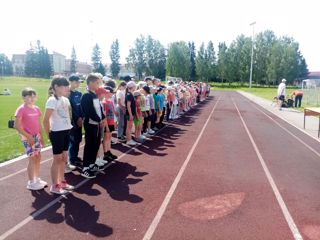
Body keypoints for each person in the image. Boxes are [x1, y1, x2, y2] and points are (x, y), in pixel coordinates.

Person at [43, 76, 74, 195]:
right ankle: (54, 185)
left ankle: (62, 182)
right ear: (56, 87)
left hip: (66, 131)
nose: (67, 88)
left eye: (67, 86)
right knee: (57, 159)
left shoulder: (65, 99)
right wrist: (49, 135)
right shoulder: (52, 100)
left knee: (64, 158)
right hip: (56, 133)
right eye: (64, 86)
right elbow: (45, 120)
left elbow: (67, 115)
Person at [14, 88, 47, 191]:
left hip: (37, 136)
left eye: (33, 96)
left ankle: (36, 178)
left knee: (38, 156)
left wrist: (42, 138)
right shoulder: (21, 109)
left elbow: (39, 124)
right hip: (27, 138)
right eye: (29, 96)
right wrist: (28, 137)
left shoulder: (36, 109)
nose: (32, 98)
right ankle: (31, 182)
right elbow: (17, 126)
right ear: (24, 98)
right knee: (32, 158)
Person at [80, 74, 106, 178]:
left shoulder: (94, 95)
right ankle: (85, 167)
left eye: (99, 83)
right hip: (91, 125)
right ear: (90, 83)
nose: (98, 85)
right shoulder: (86, 95)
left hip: (97, 124)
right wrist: (99, 119)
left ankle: (91, 164)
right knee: (89, 145)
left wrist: (102, 118)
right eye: (96, 83)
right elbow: (89, 111)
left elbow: (98, 108)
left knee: (95, 144)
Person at [68, 74, 83, 168]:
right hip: (73, 122)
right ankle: (72, 159)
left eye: (79, 82)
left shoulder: (79, 93)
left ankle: (75, 156)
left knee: (78, 139)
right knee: (73, 140)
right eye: (76, 82)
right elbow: (71, 109)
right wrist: (77, 118)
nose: (78, 83)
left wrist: (82, 117)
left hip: (80, 120)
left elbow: (81, 107)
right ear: (70, 82)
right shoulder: (68, 94)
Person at [101, 86, 118, 162]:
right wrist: (106, 126)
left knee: (109, 138)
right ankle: (105, 154)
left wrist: (114, 122)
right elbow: (104, 115)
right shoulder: (104, 103)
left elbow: (113, 113)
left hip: (111, 122)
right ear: (107, 93)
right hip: (106, 123)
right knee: (106, 138)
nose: (112, 95)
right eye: (111, 93)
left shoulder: (110, 102)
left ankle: (108, 151)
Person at [125, 81, 137, 146]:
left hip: (131, 113)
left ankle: (129, 139)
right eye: (134, 86)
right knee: (129, 127)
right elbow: (128, 106)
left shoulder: (130, 94)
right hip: (130, 113)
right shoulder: (129, 95)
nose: (135, 87)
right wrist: (130, 115)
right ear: (132, 87)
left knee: (129, 127)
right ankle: (128, 140)